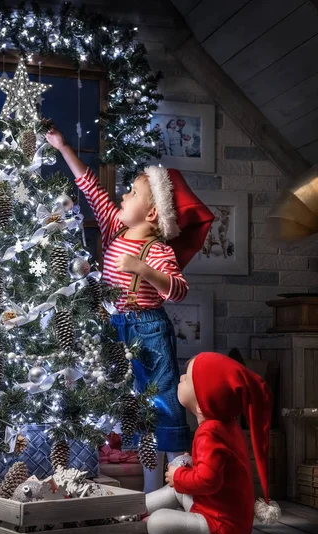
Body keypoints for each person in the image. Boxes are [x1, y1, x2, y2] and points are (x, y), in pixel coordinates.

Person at [46, 126, 214, 493]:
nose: (123, 194)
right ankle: (151, 494)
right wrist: (63, 148)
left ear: (152, 212)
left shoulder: (158, 251)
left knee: (165, 403)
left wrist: (145, 271)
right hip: (115, 329)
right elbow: (89, 185)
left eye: (133, 192)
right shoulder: (112, 229)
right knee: (134, 409)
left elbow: (179, 291)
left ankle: (182, 483)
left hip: (149, 330)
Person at [145, 352, 281, 534]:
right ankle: (136, 508)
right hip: (218, 511)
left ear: (201, 404)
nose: (181, 379)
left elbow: (208, 481)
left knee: (158, 523)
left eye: (187, 379)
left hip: (220, 525)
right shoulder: (224, 426)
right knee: (176, 489)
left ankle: (140, 517)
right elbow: (217, 469)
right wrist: (188, 466)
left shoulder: (210, 433)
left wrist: (180, 476)